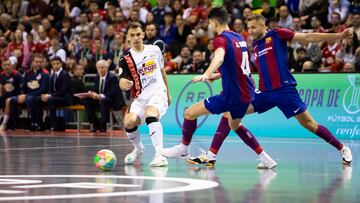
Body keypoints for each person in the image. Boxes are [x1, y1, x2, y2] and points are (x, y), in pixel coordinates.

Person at [188, 14, 353, 167]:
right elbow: (243, 69)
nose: (250, 31)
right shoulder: (255, 44)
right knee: (230, 114)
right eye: (249, 28)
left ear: (262, 25)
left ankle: (342, 148)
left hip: (285, 91)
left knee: (309, 124)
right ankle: (211, 155)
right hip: (264, 93)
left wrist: (338, 36)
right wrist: (217, 76)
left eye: (253, 27)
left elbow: (307, 37)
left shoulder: (277, 34)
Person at [161, 8, 277, 169]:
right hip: (247, 93)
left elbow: (219, 57)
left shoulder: (220, 39)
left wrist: (207, 74)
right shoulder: (239, 37)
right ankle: (265, 158)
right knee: (234, 124)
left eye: (210, 23)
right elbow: (237, 65)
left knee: (189, 113)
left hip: (232, 95)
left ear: (214, 22)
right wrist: (218, 75)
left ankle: (183, 148)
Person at [119, 22, 171, 167]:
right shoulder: (126, 59)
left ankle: (159, 155)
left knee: (150, 114)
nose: (136, 38)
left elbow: (162, 71)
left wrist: (168, 92)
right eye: (132, 35)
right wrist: (124, 84)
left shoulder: (154, 50)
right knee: (129, 122)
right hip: (140, 97)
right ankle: (138, 148)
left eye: (138, 34)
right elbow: (122, 79)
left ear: (143, 35)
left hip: (158, 91)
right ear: (128, 38)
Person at [83, 59, 124, 132]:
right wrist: (92, 93)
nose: (100, 69)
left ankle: (103, 125)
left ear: (106, 68)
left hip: (112, 100)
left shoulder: (112, 77)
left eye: (102, 67)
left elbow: (114, 92)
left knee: (104, 101)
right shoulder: (96, 77)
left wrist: (101, 96)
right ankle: (94, 124)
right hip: (101, 99)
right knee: (87, 101)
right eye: (99, 67)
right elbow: (96, 90)